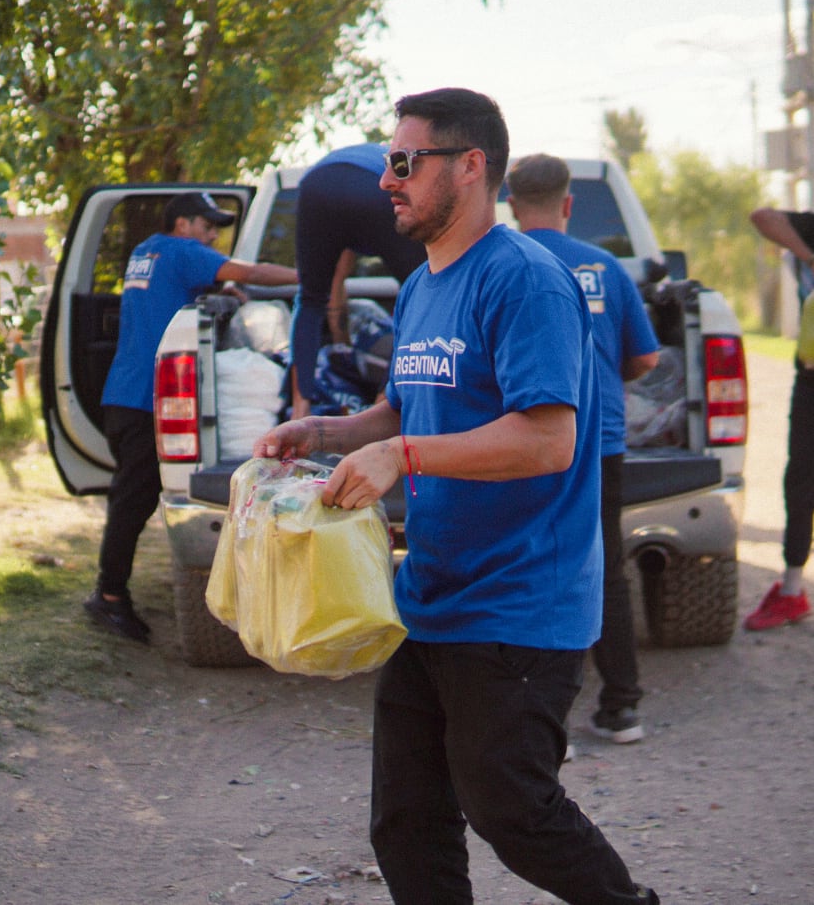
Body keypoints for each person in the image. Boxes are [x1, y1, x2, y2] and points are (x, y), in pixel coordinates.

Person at [253, 88, 659, 904]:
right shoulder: (421, 287)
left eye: (404, 163)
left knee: (511, 810)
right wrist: (328, 433)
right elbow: (408, 404)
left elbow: (547, 439)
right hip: (429, 594)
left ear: (470, 166)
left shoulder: (525, 281)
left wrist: (401, 455)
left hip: (518, 604)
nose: (385, 181)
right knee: (404, 821)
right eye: (385, 163)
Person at [86, 191, 297, 642]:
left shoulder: (147, 251)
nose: (212, 237)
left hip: (122, 393)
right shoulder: (183, 250)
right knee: (131, 502)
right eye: (207, 226)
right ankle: (107, 596)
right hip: (147, 399)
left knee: (131, 499)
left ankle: (109, 591)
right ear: (182, 224)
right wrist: (311, 278)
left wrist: (215, 286)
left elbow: (169, 294)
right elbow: (254, 273)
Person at [507, 153, 660, 746]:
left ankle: (539, 718)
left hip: (526, 444)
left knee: (528, 565)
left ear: (512, 205)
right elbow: (645, 357)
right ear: (569, 204)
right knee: (605, 568)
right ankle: (622, 707)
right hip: (600, 443)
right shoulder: (605, 268)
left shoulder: (506, 265)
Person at [290, 144, 427, 418]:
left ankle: (299, 406)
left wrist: (340, 336)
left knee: (309, 300)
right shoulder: (395, 167)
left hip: (315, 186)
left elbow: (335, 277)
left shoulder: (354, 168)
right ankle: (382, 402)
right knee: (419, 296)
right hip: (372, 189)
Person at [742, 207, 814, 629]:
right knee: (800, 481)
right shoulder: (808, 225)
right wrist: (808, 256)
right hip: (810, 378)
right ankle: (790, 590)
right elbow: (762, 217)